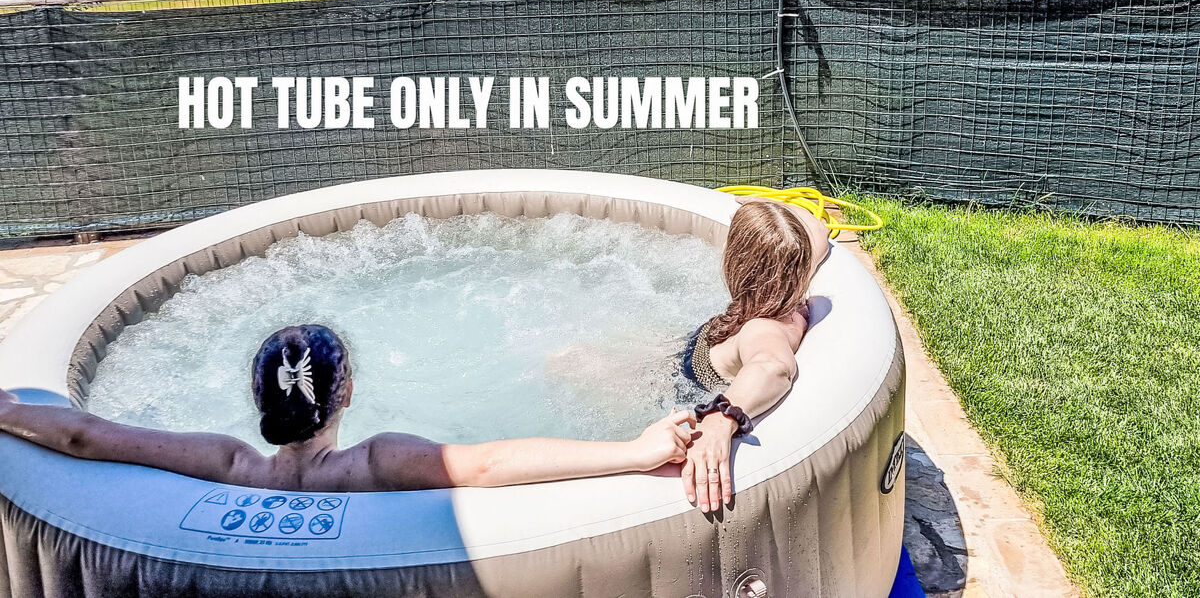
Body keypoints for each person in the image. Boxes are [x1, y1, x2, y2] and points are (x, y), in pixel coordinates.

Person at [0, 324, 696, 492]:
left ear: (257, 398)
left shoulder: (228, 464)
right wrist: (635, 453)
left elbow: (87, 436)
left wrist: (5, 410)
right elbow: (489, 464)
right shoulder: (375, 463)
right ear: (349, 394)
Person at [679, 197, 831, 513]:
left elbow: (773, 366)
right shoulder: (793, 287)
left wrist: (721, 417)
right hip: (688, 359)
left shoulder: (763, 328)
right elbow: (818, 231)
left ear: (735, 262)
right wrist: (767, 205)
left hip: (687, 386)